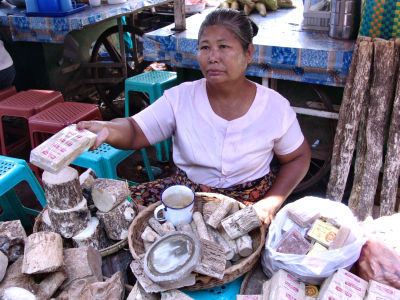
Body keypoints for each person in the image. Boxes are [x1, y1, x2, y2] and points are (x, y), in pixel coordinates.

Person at [77, 8, 311, 226]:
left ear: (248, 52)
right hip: (186, 197)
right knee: (114, 215)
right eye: (205, 47)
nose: (212, 57)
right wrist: (108, 129)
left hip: (249, 203)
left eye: (223, 47)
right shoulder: (180, 98)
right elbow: (135, 129)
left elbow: (298, 157)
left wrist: (270, 204)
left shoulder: (275, 108)